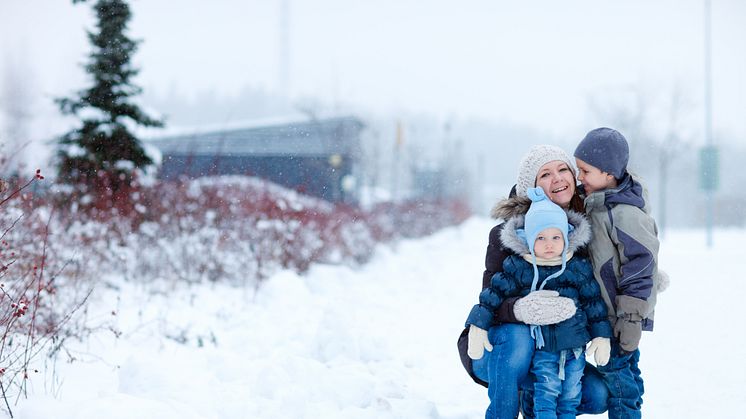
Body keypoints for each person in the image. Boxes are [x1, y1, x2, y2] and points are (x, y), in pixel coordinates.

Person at [457, 145, 611, 418]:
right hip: (500, 349)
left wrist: (638, 278)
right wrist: (519, 309)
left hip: (555, 350)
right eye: (546, 174)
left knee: (597, 395)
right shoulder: (508, 235)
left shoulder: (582, 232)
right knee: (519, 339)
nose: (558, 179)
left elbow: (593, 292)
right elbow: (491, 296)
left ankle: (533, 400)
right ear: (532, 186)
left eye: (563, 169)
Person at [574, 127, 662, 419]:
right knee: (625, 376)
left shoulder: (623, 212)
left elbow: (642, 266)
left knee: (619, 384)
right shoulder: (599, 205)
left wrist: (630, 317)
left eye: (585, 171)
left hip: (620, 318)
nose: (579, 177)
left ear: (609, 174)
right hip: (609, 316)